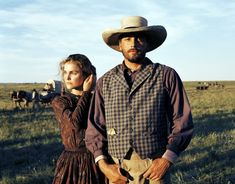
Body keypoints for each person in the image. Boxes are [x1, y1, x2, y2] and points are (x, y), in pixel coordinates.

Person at [85, 16, 194, 184]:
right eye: (127, 39)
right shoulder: (105, 81)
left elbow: (182, 120)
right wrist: (103, 165)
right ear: (120, 45)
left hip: (154, 165)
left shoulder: (166, 75)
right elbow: (95, 126)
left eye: (139, 38)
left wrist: (167, 159)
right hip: (117, 167)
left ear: (148, 44)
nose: (133, 43)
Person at [51, 54, 104, 184]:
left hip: (98, 159)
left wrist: (90, 93)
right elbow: (74, 124)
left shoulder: (97, 100)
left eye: (73, 73)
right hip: (72, 162)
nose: (67, 77)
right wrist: (86, 93)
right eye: (65, 72)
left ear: (87, 75)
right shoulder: (61, 101)